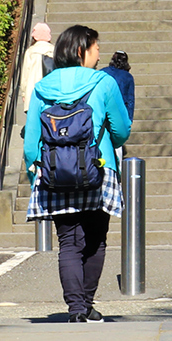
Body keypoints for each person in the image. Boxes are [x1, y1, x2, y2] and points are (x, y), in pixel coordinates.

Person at [25, 24, 132, 322]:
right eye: (96, 47)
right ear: (82, 50)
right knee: (96, 240)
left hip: (56, 172)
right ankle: (85, 303)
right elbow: (122, 129)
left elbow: (31, 143)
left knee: (69, 242)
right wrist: (110, 144)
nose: (99, 54)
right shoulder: (104, 83)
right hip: (98, 168)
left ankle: (75, 309)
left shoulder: (43, 87)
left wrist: (36, 174)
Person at [15, 22, 54, 138]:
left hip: (33, 93)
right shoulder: (54, 50)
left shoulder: (30, 51)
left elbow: (25, 75)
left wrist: (23, 92)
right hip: (50, 92)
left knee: (35, 125)